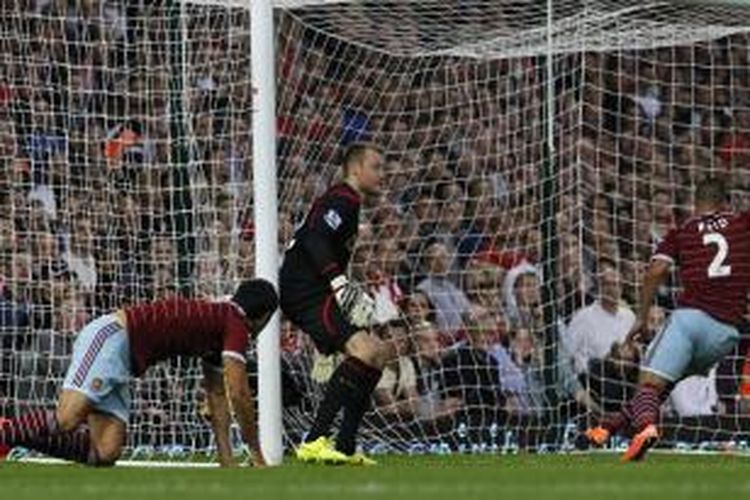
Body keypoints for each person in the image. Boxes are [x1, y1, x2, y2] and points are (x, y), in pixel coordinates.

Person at [0, 279, 278, 467]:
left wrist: (227, 461)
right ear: (264, 316)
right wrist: (257, 454)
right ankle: (5, 433)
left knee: (104, 453)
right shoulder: (235, 322)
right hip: (113, 337)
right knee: (67, 418)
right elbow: (239, 393)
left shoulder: (219, 325)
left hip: (125, 362)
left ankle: (10, 436)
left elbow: (217, 394)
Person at [585, 178, 750, 461]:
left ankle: (646, 428)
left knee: (648, 383)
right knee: (665, 384)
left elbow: (656, 270)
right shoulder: (742, 225)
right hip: (726, 335)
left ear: (695, 205)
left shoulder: (681, 232)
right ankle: (607, 428)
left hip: (690, 320)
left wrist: (641, 315)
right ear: (726, 204)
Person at [279, 142, 387, 466]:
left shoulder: (347, 200)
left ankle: (345, 445)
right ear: (356, 169)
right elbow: (314, 238)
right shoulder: (344, 198)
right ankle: (313, 440)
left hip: (316, 289)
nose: (382, 174)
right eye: (376, 167)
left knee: (378, 354)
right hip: (306, 291)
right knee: (364, 351)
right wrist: (339, 283)